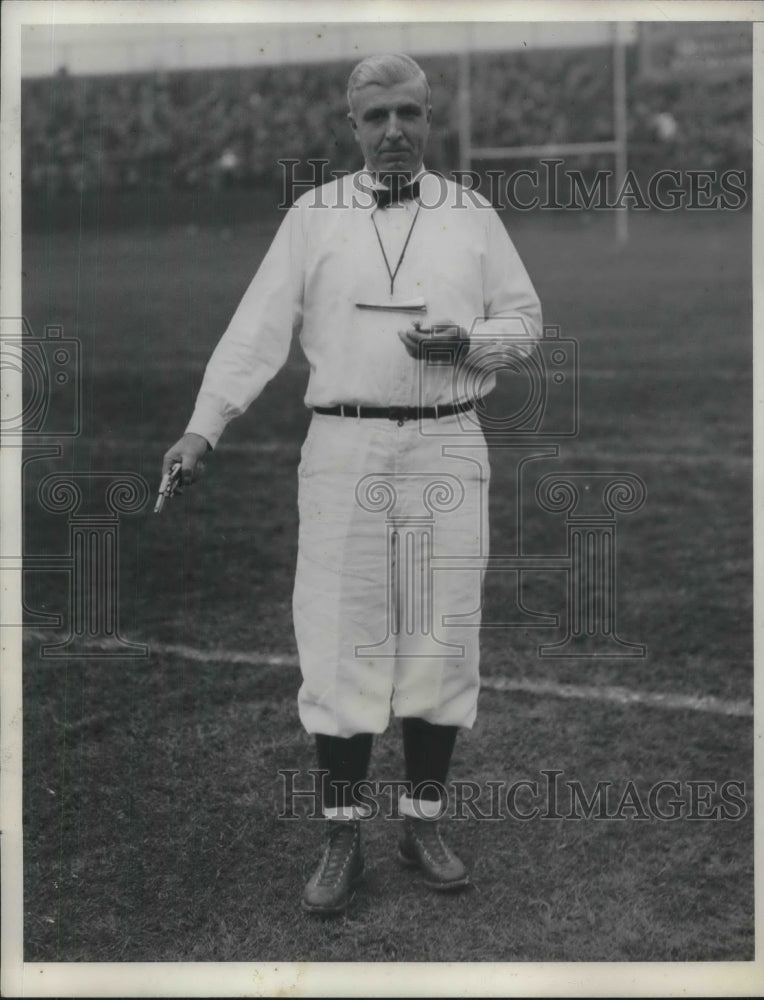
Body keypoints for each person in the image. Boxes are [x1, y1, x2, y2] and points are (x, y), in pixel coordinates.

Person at [162, 53, 542, 916]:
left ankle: (423, 822)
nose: (394, 131)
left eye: (408, 113)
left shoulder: (472, 214)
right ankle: (342, 836)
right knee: (339, 635)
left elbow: (525, 323)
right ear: (353, 126)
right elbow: (256, 330)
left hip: (449, 444)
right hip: (344, 448)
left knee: (443, 636)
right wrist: (202, 426)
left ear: (430, 117)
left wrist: (469, 342)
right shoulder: (313, 215)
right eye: (376, 118)